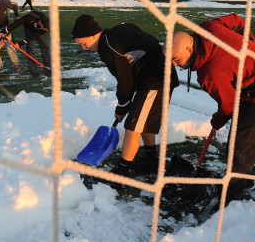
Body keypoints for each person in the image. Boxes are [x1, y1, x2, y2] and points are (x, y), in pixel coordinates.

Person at [171, 13, 255, 203]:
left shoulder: (210, 73)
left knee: (241, 147)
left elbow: (228, 106)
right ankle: (244, 180)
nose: (177, 66)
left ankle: (232, 198)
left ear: (190, 48)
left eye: (176, 60)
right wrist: (247, 45)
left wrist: (217, 120)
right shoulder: (208, 27)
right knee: (239, 139)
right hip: (252, 85)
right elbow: (238, 20)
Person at [71, 14, 180, 188]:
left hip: (156, 79)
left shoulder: (109, 48)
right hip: (152, 76)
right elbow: (135, 29)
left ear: (93, 35)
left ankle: (122, 174)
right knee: (143, 120)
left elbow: (125, 81)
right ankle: (151, 161)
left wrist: (122, 107)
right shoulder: (114, 33)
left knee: (133, 125)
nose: (84, 48)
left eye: (83, 43)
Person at [5, 10, 50, 77]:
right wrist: (6, 30)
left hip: (38, 30)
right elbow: (18, 23)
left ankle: (48, 68)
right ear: (42, 25)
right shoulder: (30, 17)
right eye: (46, 29)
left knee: (46, 46)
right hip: (29, 28)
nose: (47, 31)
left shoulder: (44, 27)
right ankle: (33, 71)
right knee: (31, 48)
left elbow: (33, 37)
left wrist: (20, 44)